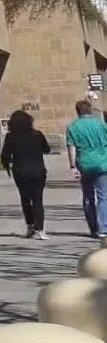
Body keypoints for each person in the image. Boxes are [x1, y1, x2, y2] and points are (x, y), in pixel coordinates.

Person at [0, 109, 51, 240]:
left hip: (20, 172)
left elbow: (5, 155)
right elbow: (47, 149)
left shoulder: (11, 137)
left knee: (25, 199)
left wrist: (7, 166)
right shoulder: (37, 134)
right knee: (38, 199)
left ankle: (30, 226)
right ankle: (40, 229)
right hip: (38, 171)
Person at [68, 99, 107, 239]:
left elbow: (71, 147)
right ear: (90, 110)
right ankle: (104, 228)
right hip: (103, 163)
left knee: (88, 197)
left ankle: (93, 228)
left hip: (84, 164)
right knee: (103, 197)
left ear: (77, 111)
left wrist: (72, 166)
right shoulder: (101, 124)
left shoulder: (73, 127)